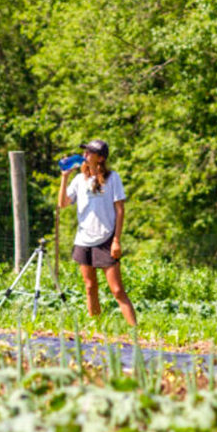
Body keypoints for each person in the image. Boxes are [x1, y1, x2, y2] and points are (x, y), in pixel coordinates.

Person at [58, 138, 137, 326]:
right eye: (85, 152)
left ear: (100, 158)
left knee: (117, 290)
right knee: (90, 287)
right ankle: (98, 329)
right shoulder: (79, 180)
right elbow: (62, 203)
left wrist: (116, 240)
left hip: (106, 239)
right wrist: (64, 177)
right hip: (84, 240)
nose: (85, 155)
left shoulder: (113, 178)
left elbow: (120, 210)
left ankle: (136, 332)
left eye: (89, 152)